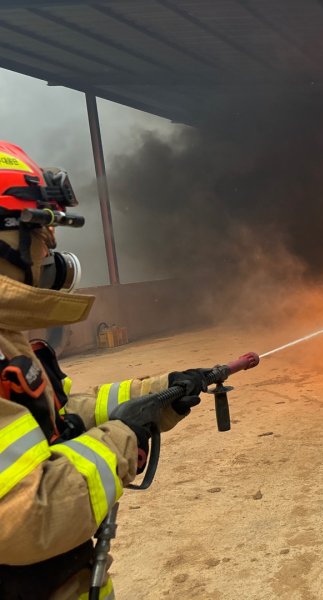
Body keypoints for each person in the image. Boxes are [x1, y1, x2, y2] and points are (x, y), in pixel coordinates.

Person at [0, 141, 205, 599]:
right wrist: (123, 438)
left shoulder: (7, 336)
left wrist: (161, 392)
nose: (51, 250)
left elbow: (61, 414)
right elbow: (29, 515)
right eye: (41, 232)